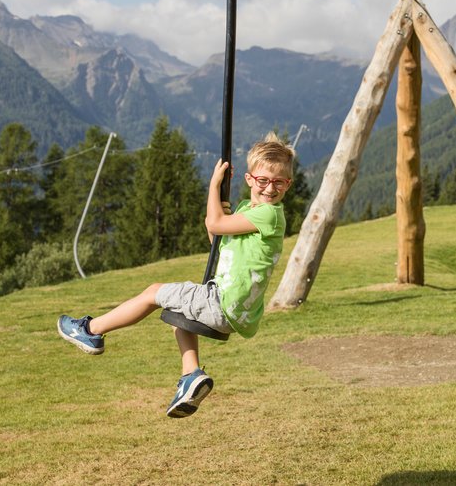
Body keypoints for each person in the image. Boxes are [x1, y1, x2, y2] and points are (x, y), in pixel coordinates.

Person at [57, 133, 294, 418]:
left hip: (223, 300)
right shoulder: (249, 210)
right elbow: (218, 242)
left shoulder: (270, 214)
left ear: (288, 185)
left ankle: (91, 331)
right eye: (263, 180)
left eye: (278, 182)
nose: (270, 188)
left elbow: (215, 223)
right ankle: (191, 376)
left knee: (153, 292)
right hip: (234, 309)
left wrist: (213, 187)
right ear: (249, 179)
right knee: (178, 317)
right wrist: (219, 215)